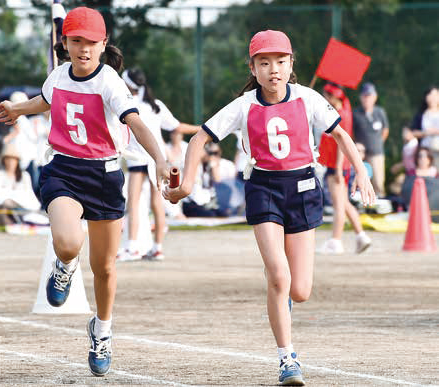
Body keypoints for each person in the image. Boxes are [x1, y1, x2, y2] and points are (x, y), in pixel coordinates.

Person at [164, 30, 375, 386]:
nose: (273, 69)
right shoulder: (244, 105)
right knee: (279, 274)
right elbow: (201, 137)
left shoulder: (308, 98)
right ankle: (287, 358)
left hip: (304, 187)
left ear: (291, 64)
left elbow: (340, 135)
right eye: (264, 63)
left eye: (280, 61)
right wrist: (186, 184)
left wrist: (361, 176)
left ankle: (281, 285)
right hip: (263, 188)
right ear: (254, 67)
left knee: (300, 290)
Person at [0, 7, 168, 377]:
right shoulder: (59, 75)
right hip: (64, 170)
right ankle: (64, 266)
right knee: (68, 242)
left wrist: (160, 157)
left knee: (104, 267)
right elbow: (46, 99)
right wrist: (18, 110)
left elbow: (134, 122)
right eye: (76, 41)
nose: (83, 49)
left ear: (103, 44)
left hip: (104, 177)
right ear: (65, 43)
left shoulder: (110, 83)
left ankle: (101, 330)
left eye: (91, 42)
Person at [118, 67, 199, 261]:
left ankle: (132, 247)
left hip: (139, 158)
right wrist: (205, 129)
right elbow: (177, 126)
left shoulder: (126, 104)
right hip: (157, 160)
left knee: (134, 204)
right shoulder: (156, 105)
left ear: (128, 85)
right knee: (157, 205)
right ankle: (157, 248)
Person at [317, 83, 371, 255]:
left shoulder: (342, 115)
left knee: (338, 204)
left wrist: (339, 169)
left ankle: (336, 241)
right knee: (344, 202)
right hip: (335, 165)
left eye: (326, 96)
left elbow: (342, 144)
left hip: (337, 166)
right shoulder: (337, 113)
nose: (325, 99)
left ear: (333, 97)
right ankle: (361, 235)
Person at [0, 143, 41, 225]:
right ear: (4, 161)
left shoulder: (25, 176)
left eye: (13, 159)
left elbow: (29, 194)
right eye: (8, 159)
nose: (10, 162)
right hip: (6, 207)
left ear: (17, 161)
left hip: (23, 207)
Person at [352, 82, 389, 197]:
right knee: (361, 181)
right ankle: (363, 204)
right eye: (365, 96)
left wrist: (378, 143)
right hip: (361, 155)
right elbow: (351, 132)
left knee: (378, 181)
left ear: (375, 97)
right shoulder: (356, 113)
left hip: (377, 153)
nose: (367, 99)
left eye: (369, 96)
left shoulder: (380, 112)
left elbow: (385, 130)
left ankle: (380, 204)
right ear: (361, 97)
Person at [409, 86, 439, 169]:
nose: (433, 98)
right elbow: (412, 132)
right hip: (425, 153)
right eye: (430, 95)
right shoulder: (421, 115)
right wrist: (427, 132)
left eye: (436, 95)